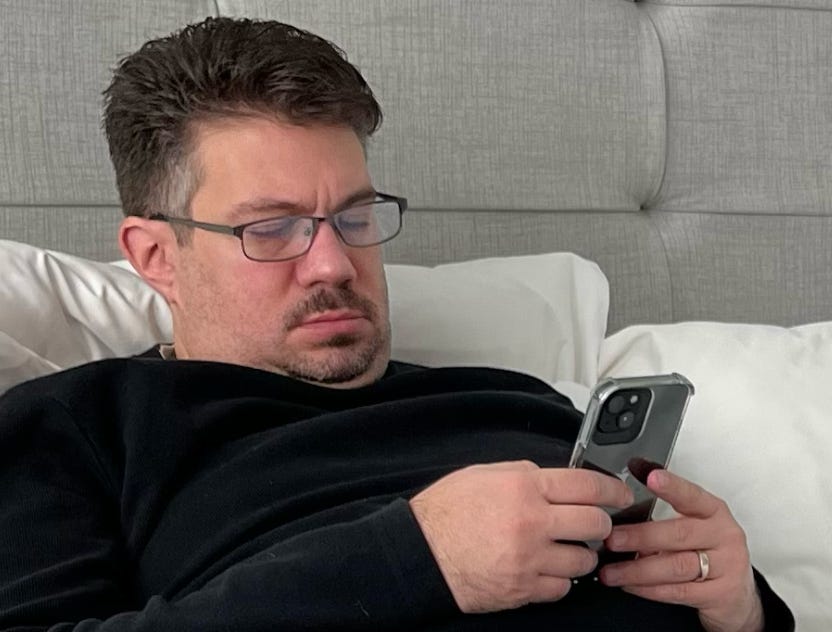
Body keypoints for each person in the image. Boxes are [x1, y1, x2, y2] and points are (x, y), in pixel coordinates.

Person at [0, 16, 792, 631]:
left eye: (355, 216)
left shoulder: (515, 399)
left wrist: (743, 608)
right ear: (155, 256)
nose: (333, 265)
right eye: (271, 229)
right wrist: (418, 558)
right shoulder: (82, 426)